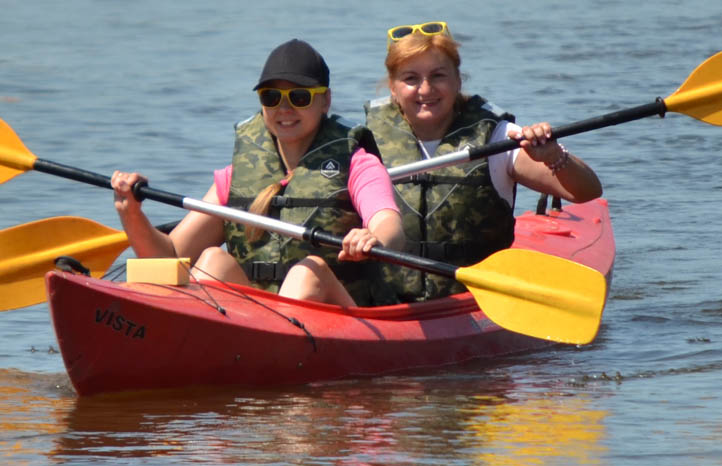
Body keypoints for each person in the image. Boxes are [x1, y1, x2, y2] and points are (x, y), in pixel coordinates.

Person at [109, 39, 405, 307]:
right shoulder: (236, 176)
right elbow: (170, 257)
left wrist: (372, 238)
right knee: (213, 260)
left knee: (308, 270)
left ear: (325, 100)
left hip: (344, 317)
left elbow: (389, 224)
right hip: (258, 323)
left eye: (299, 97)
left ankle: (266, 350)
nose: (284, 108)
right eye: (271, 97)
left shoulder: (357, 163)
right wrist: (131, 214)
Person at [362, 20, 602, 303]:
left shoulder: (497, 138)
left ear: (458, 81)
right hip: (385, 301)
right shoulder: (364, 142)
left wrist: (553, 156)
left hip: (477, 298)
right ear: (393, 87)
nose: (425, 90)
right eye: (411, 79)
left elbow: (587, 192)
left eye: (438, 76)